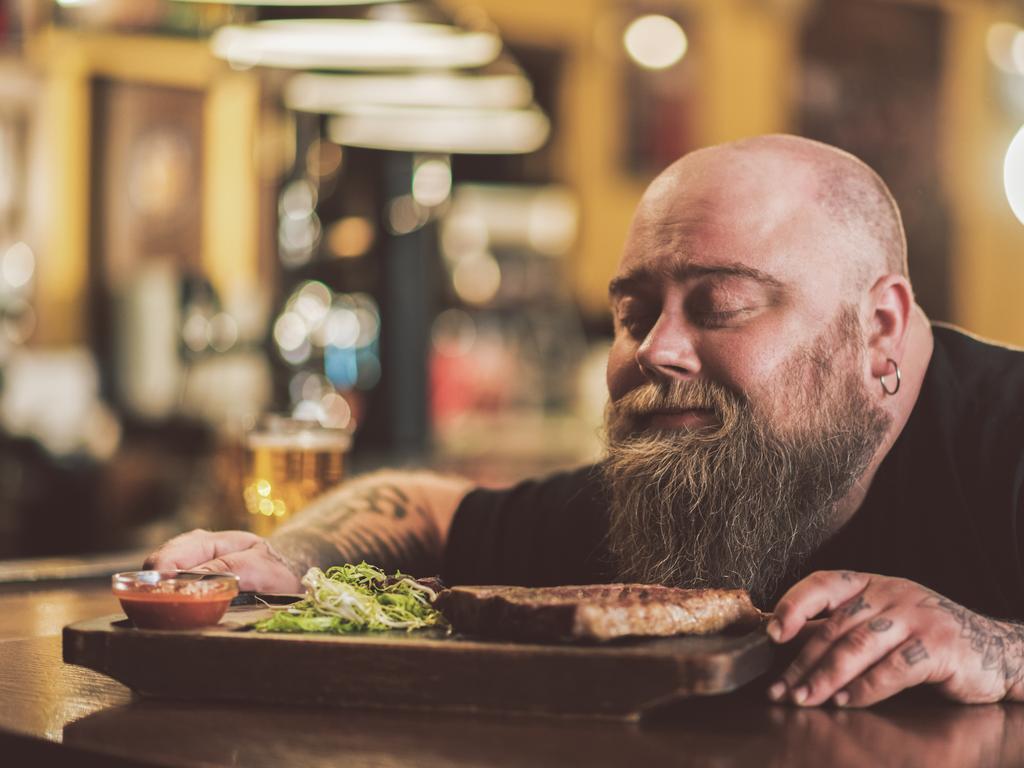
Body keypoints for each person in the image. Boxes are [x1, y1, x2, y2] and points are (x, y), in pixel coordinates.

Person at [147, 135, 1024, 709]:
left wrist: (1001, 649)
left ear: (877, 327)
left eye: (719, 305)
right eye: (635, 313)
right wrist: (291, 558)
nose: (657, 350)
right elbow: (424, 507)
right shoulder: (693, 478)